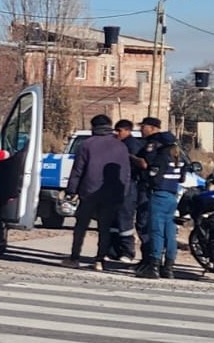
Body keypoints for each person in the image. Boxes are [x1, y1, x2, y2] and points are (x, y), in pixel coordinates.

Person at [61, 114, 130, 271]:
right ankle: (99, 260)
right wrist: (123, 193)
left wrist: (71, 190)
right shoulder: (121, 146)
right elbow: (126, 173)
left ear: (94, 127)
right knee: (104, 228)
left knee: (81, 226)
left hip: (89, 191)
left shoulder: (87, 144)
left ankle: (74, 257)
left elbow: (78, 170)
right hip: (112, 194)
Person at [134, 118, 185, 278]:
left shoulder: (162, 157)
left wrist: (148, 179)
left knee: (156, 231)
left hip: (159, 195)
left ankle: (154, 266)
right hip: (172, 195)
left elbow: (153, 176)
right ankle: (169, 267)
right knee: (170, 232)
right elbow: (182, 179)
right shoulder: (179, 159)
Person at [109, 119, 141, 262]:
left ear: (128, 130)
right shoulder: (116, 144)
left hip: (129, 186)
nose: (117, 133)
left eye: (119, 130)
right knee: (113, 219)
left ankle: (128, 252)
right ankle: (113, 250)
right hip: (116, 185)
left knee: (125, 219)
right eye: (115, 130)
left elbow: (135, 165)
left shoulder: (132, 145)